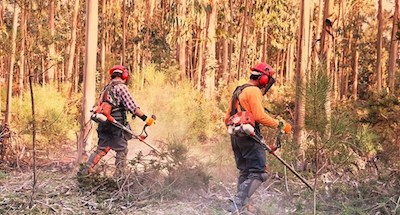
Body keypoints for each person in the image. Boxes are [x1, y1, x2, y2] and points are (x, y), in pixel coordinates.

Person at [224, 62, 292, 212]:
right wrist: (280, 124)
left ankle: (241, 206)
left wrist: (243, 137)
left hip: (236, 136)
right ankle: (236, 204)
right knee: (259, 172)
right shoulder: (254, 91)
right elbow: (259, 116)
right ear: (263, 79)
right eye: (267, 79)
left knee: (246, 171)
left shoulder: (239, 90)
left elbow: (227, 118)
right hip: (248, 135)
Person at [79, 65, 155, 177]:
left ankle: (84, 173)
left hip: (104, 124)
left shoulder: (106, 89)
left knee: (101, 149)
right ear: (124, 75)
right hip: (115, 124)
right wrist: (146, 119)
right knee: (122, 150)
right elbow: (132, 107)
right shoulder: (121, 87)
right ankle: (120, 178)